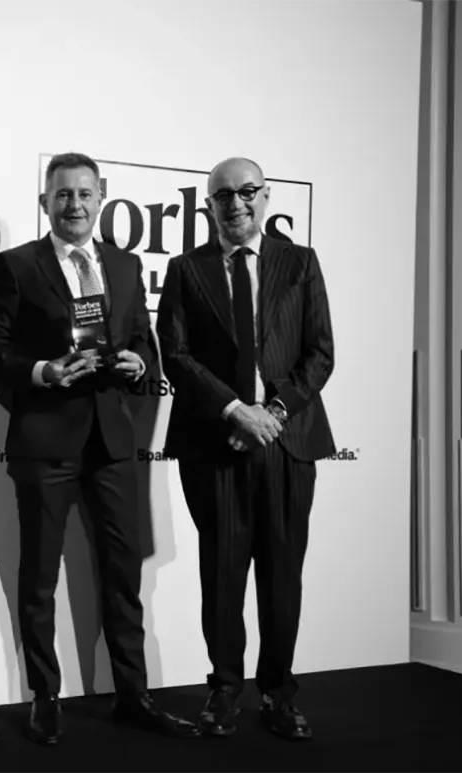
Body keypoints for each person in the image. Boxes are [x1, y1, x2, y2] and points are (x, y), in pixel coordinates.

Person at [0, 152, 201, 745]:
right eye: (62, 194)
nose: (73, 205)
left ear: (101, 197)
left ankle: (133, 694)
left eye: (83, 194)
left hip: (112, 443)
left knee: (123, 576)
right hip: (45, 441)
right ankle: (45, 697)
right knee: (39, 578)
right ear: (45, 202)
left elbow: (144, 343)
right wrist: (44, 371)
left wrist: (138, 363)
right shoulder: (17, 266)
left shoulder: (125, 265)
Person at [155, 156, 335, 741]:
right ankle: (225, 689)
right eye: (223, 195)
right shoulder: (186, 269)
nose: (236, 203)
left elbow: (320, 353)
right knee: (222, 575)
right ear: (209, 205)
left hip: (286, 443)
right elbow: (175, 354)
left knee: (282, 576)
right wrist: (236, 411)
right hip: (215, 445)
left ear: (265, 197)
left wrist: (271, 415)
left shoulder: (299, 263)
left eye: (247, 191)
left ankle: (279, 692)